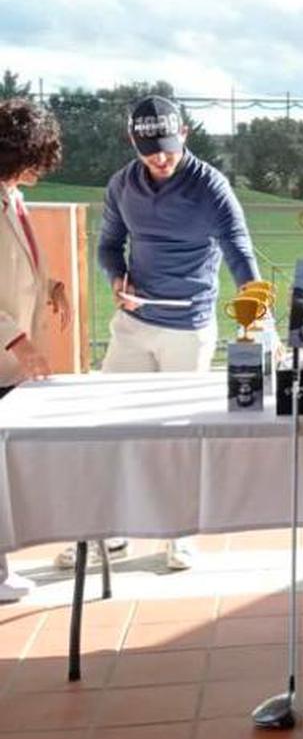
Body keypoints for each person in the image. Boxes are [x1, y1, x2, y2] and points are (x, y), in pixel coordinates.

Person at [64, 94, 261, 571]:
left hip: (188, 329)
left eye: (169, 146)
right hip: (133, 324)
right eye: (150, 148)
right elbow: (110, 244)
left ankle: (179, 534)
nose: (161, 157)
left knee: (179, 436)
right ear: (133, 141)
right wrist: (116, 277)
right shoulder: (121, 185)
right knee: (109, 429)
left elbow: (236, 244)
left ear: (185, 134)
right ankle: (106, 532)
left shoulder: (209, 185)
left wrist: (253, 300)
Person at [0, 99, 70, 602]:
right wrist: (18, 341)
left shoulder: (11, 197)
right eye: (33, 159)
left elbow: (19, 267)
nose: (38, 170)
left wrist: (53, 286)